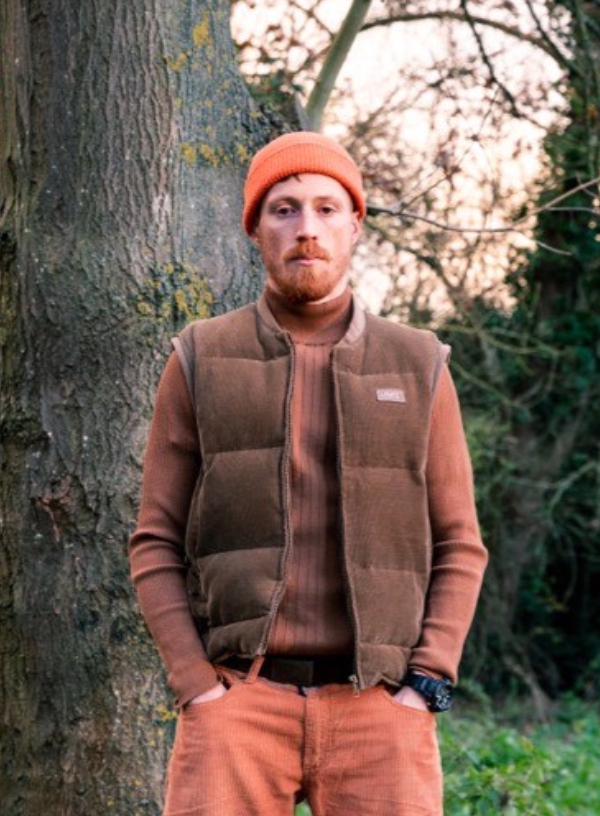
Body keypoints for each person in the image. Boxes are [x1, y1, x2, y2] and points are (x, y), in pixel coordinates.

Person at [129, 131, 488, 816]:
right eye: (284, 209)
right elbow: (154, 540)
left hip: (380, 710)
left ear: (355, 226)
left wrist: (424, 685)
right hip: (237, 707)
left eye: (327, 209)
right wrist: (194, 683)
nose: (306, 229)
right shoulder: (200, 357)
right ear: (255, 230)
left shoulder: (420, 364)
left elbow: (460, 543)